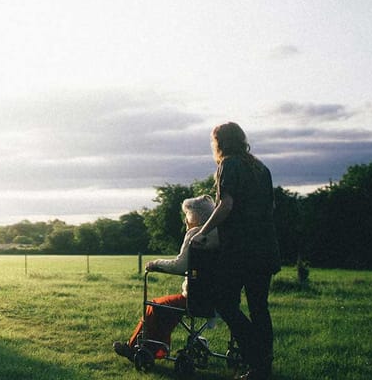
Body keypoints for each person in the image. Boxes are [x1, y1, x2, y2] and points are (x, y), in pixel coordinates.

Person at [192, 122, 280, 380]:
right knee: (259, 308)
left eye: (213, 141)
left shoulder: (228, 165)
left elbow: (226, 205)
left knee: (224, 303)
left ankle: (256, 355)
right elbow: (270, 207)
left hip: (241, 251)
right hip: (266, 247)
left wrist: (202, 232)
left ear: (220, 142)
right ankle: (262, 366)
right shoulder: (261, 168)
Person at [113, 195, 219, 361]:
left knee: (156, 305)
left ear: (196, 216)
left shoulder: (195, 234)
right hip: (218, 298)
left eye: (187, 214)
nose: (185, 219)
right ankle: (155, 348)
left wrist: (155, 263)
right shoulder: (220, 233)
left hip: (196, 298)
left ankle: (135, 347)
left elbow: (179, 266)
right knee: (168, 307)